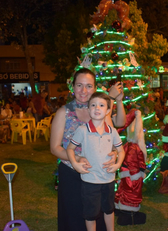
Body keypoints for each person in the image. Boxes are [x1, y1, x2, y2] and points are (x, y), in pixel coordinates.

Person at [50, 68, 126, 231]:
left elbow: (111, 140)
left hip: (99, 176)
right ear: (73, 86)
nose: (84, 91)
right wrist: (76, 159)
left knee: (98, 216)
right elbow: (55, 148)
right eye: (79, 85)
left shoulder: (100, 111)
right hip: (72, 175)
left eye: (89, 86)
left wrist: (113, 154)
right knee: (75, 218)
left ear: (95, 87)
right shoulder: (64, 113)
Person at [67, 92, 125, 231]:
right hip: (90, 181)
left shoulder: (112, 131)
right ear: (88, 109)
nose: (97, 108)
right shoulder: (82, 130)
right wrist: (75, 164)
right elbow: (70, 149)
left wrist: (117, 164)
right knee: (90, 215)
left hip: (108, 180)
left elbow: (121, 151)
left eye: (101, 105)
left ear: (108, 111)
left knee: (109, 210)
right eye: (93, 105)